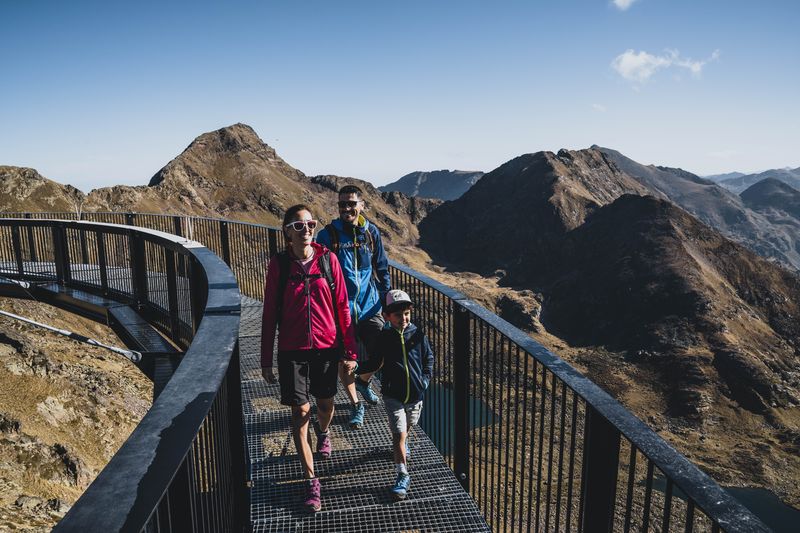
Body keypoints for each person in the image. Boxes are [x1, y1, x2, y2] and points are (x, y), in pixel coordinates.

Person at [261, 204, 358, 513]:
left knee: (325, 405)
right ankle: (311, 482)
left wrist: (350, 351)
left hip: (327, 348)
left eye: (311, 224)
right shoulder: (279, 265)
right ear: (287, 232)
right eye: (299, 225)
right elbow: (269, 314)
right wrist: (266, 358)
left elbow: (342, 306)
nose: (307, 230)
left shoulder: (328, 261)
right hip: (292, 352)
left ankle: (325, 432)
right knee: (301, 411)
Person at [316, 185, 391, 429]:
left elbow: (381, 267)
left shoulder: (371, 232)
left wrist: (386, 301)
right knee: (344, 360)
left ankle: (364, 381)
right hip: (340, 309)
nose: (347, 208)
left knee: (382, 350)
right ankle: (356, 403)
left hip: (370, 306)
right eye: (342, 204)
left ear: (361, 205)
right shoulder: (328, 235)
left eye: (351, 203)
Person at [355, 289, 434, 500]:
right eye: (398, 315)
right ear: (387, 316)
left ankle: (402, 444)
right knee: (398, 434)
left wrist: (425, 380)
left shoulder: (418, 334)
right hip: (393, 395)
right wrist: (356, 368)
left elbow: (428, 358)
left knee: (408, 427)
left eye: (407, 313)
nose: (404, 318)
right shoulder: (384, 338)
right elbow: (374, 362)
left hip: (416, 395)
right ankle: (402, 475)